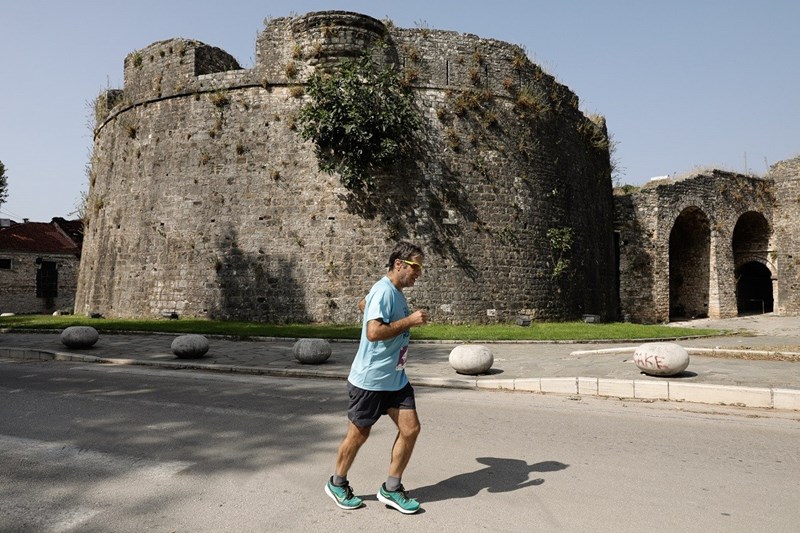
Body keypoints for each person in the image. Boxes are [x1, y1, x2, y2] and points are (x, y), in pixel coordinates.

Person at [325, 241, 428, 514]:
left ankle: (391, 489)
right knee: (358, 435)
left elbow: (364, 305)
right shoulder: (384, 290)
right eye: (416, 267)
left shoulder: (391, 291)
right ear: (399, 264)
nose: (419, 273)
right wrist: (410, 321)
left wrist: (368, 302)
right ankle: (337, 483)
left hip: (395, 378)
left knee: (411, 429)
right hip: (370, 380)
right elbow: (373, 332)